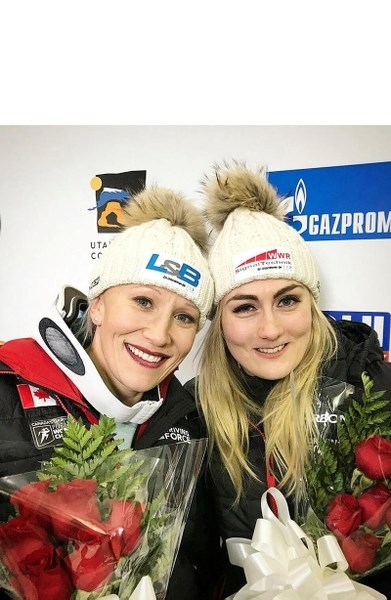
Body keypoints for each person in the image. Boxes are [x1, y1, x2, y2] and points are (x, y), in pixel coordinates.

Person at [0, 185, 217, 599]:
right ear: (97, 305)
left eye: (184, 317)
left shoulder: (189, 418)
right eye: (143, 301)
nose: (158, 335)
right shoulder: (7, 389)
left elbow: (196, 563)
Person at [186, 162, 391, 598]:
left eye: (287, 300)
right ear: (219, 320)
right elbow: (188, 565)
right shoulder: (193, 411)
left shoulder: (373, 391)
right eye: (244, 306)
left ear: (312, 304)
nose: (271, 329)